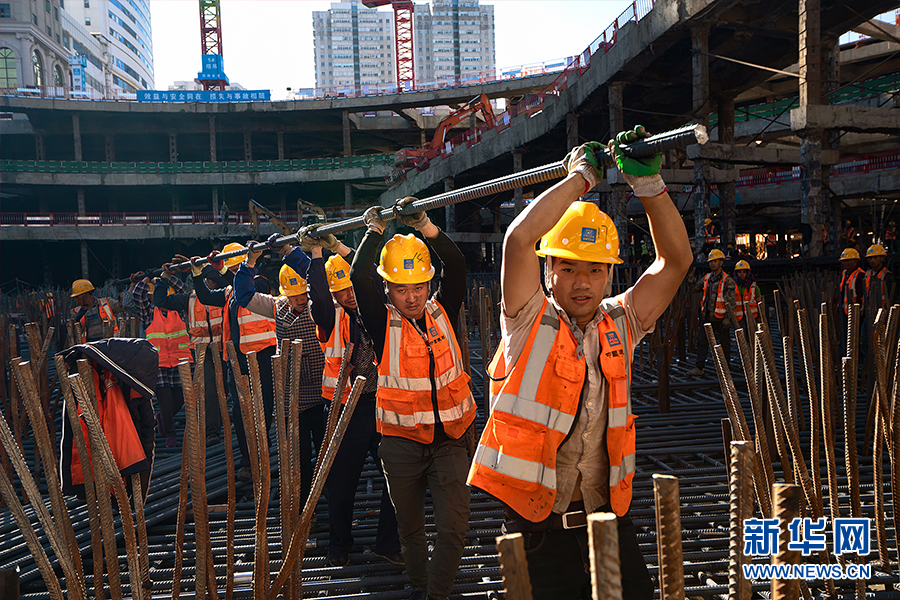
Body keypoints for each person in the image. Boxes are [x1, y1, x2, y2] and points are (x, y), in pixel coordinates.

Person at [467, 128, 691, 600]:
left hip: (607, 518)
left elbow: (675, 261)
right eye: (568, 267)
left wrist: (648, 185)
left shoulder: (622, 323)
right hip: (537, 526)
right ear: (549, 271)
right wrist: (581, 178)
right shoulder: (529, 318)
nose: (582, 282)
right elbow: (519, 237)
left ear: (611, 273)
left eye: (595, 269)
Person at [350, 197, 475, 600]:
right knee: (410, 528)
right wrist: (373, 232)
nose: (413, 297)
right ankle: (421, 585)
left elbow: (456, 266)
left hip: (452, 438)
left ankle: (435, 595)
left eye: (419, 286)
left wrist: (426, 225)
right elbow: (359, 278)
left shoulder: (444, 310)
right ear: (389, 289)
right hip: (402, 443)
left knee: (454, 527)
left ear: (428, 285)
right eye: (402, 289)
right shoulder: (382, 323)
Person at [303, 232, 402, 568]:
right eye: (339, 290)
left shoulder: (378, 311)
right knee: (341, 485)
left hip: (384, 405)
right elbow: (317, 296)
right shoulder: (331, 319)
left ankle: (387, 544)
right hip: (346, 410)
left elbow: (372, 276)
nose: (348, 295)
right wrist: (317, 254)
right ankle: (339, 544)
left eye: (350, 287)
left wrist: (342, 248)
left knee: (397, 479)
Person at [235, 236, 326, 503]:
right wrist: (250, 262)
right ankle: (302, 505)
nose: (299, 299)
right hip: (292, 399)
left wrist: (290, 252)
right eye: (294, 294)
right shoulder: (277, 307)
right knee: (297, 460)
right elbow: (244, 295)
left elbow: (318, 277)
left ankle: (327, 499)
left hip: (323, 395)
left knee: (326, 454)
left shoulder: (319, 305)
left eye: (303, 294)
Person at [192, 242, 278, 482]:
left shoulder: (260, 283)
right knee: (240, 414)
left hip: (261, 357)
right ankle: (248, 461)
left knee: (263, 411)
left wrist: (218, 271)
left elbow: (243, 287)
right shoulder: (229, 292)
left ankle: (262, 458)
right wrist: (198, 274)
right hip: (237, 360)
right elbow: (206, 296)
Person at [154, 254, 232, 446]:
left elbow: (230, 282)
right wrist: (164, 277)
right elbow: (160, 300)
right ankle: (212, 431)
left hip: (224, 349)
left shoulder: (226, 295)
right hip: (203, 351)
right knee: (210, 390)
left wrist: (204, 266)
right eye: (210, 280)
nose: (213, 283)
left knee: (227, 387)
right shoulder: (190, 298)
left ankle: (221, 423)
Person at [131, 268, 190, 448]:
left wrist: (169, 277)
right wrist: (147, 277)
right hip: (159, 363)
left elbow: (187, 292)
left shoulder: (180, 311)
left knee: (180, 399)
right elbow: (137, 295)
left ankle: (163, 420)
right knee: (165, 400)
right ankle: (171, 434)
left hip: (181, 362)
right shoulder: (149, 314)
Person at [687, 248, 736, 376]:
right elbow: (696, 288)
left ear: (721, 262)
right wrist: (691, 279)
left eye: (715, 261)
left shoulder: (727, 280)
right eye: (711, 261)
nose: (712, 264)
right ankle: (699, 367)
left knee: (724, 344)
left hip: (720, 318)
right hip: (707, 316)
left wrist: (728, 318)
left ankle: (726, 369)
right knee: (702, 342)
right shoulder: (707, 278)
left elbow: (731, 302)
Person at [865, 244, 894, 313]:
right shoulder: (867, 274)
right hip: (869, 313)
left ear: (882, 258)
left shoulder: (887, 276)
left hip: (883, 313)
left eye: (875, 257)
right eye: (870, 258)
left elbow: (892, 297)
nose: (872, 260)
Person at [733, 260, 762, 326]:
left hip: (752, 316)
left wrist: (760, 316)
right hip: (738, 318)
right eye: (739, 272)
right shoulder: (733, 285)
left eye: (744, 272)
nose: (742, 274)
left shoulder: (754, 286)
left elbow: (759, 302)